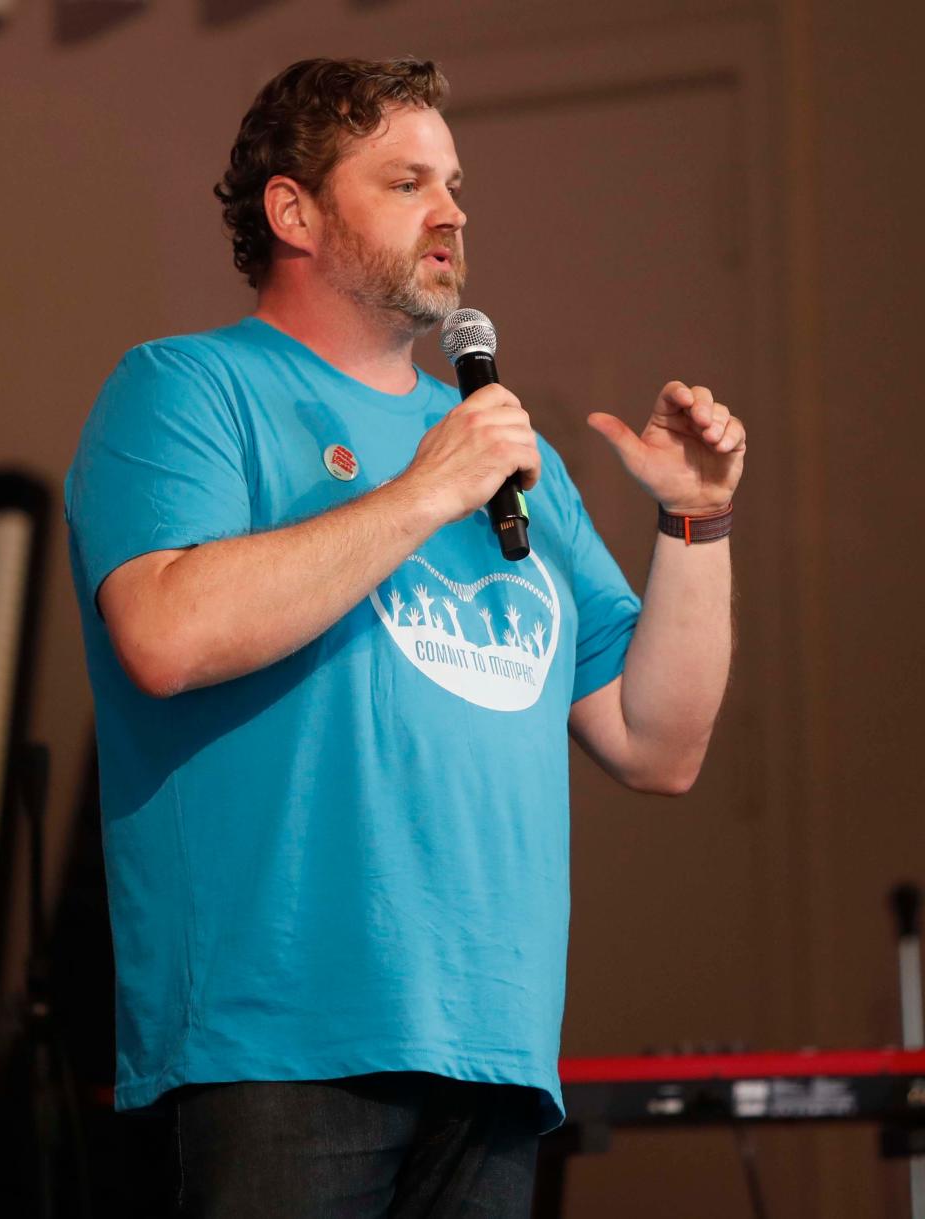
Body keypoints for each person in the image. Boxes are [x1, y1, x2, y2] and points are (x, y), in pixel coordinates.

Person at [64, 56, 745, 1218]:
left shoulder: (505, 456)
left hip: (491, 1042)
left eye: (457, 182)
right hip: (278, 1040)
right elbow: (165, 633)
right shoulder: (188, 388)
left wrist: (695, 519)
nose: (453, 210)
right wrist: (423, 493)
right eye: (406, 181)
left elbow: (656, 741)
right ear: (295, 212)